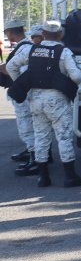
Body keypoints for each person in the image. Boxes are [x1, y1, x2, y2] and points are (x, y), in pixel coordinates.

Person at [5, 20, 81, 188]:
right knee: (63, 137)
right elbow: (77, 77)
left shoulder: (30, 49)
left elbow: (11, 66)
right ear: (60, 34)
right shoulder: (63, 52)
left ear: (42, 33)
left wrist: (22, 84)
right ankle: (70, 177)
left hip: (35, 99)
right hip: (57, 99)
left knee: (41, 137)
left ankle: (43, 177)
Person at [2, 19, 38, 176]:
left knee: (27, 127)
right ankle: (33, 152)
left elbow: (14, 70)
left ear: (10, 32)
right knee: (31, 126)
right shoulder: (25, 47)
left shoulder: (24, 48)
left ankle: (35, 159)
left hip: (24, 94)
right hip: (28, 93)